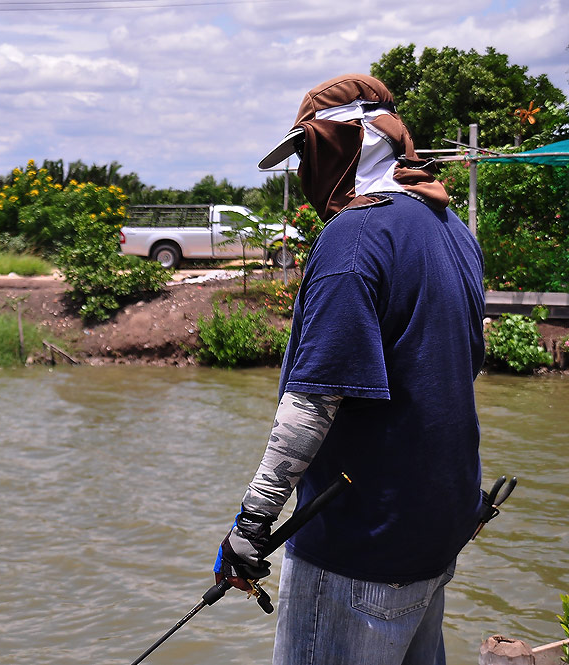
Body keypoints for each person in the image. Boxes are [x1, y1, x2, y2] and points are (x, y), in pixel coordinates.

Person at [213, 74, 487, 665]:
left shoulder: (352, 239)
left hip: (359, 552)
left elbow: (312, 403)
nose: (306, 170)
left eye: (307, 151)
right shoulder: (454, 230)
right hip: (436, 535)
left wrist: (251, 526)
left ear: (346, 142)